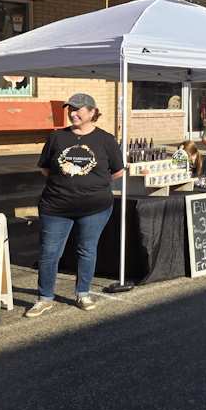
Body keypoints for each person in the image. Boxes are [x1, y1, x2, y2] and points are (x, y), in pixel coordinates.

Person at [27, 93, 124, 317]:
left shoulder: (106, 140)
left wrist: (92, 185)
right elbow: (45, 168)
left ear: (92, 112)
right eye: (70, 109)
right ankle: (44, 297)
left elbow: (117, 171)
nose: (73, 113)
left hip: (94, 208)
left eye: (78, 109)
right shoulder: (57, 138)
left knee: (86, 250)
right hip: (56, 206)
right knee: (50, 252)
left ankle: (83, 292)